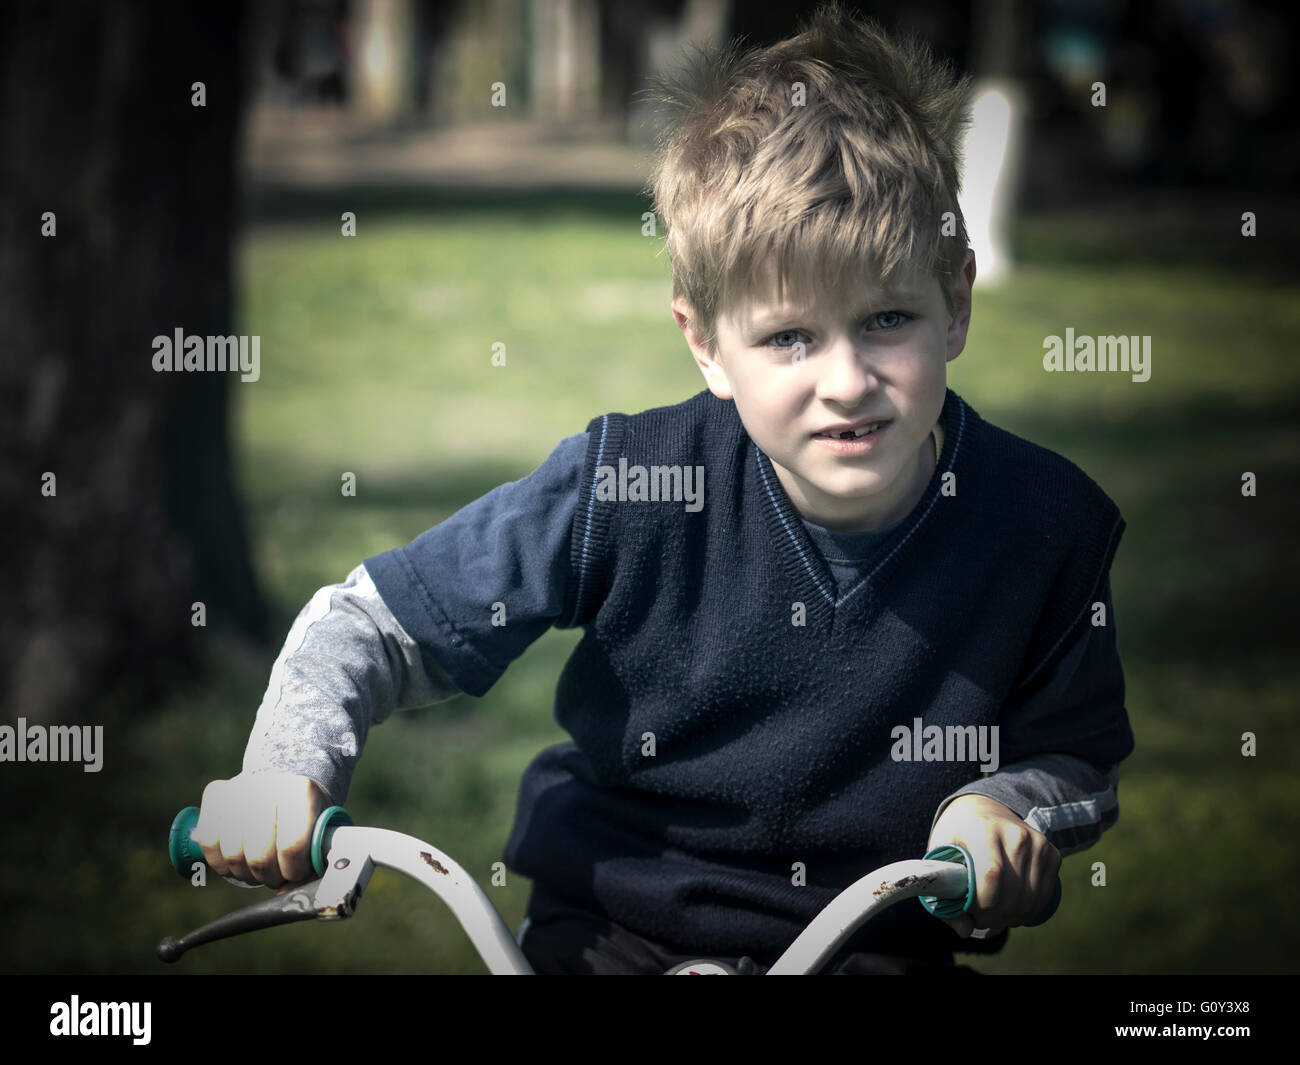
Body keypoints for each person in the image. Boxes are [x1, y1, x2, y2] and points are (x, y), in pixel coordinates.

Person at [192, 3, 1134, 975]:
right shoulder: (632, 489)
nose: (846, 378)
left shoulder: (1042, 525)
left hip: (871, 947)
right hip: (611, 933)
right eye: (788, 337)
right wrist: (284, 772)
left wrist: (1000, 811)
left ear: (958, 303)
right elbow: (373, 624)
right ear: (705, 345)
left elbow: (1075, 755)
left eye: (887, 316)